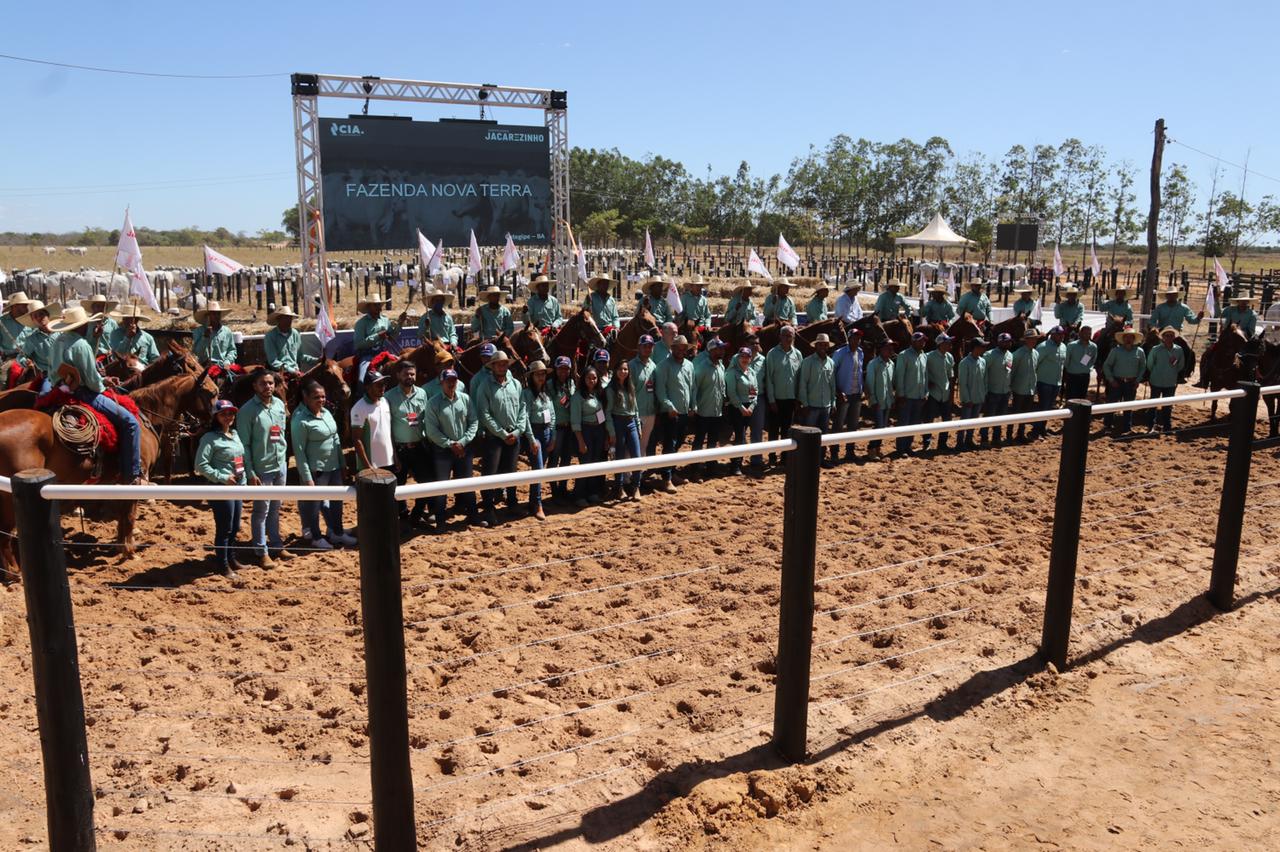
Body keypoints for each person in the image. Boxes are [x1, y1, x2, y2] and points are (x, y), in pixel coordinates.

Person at [55, 305, 144, 484]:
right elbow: (92, 382)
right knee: (131, 423)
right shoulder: (81, 345)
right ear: (81, 326)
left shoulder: (58, 340)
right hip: (84, 393)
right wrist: (105, 383)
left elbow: (56, 371)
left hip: (60, 388)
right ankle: (132, 475)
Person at [291, 380, 356, 549]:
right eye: (316, 397)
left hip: (333, 466)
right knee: (314, 505)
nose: (321, 400)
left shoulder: (326, 412)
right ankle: (316, 536)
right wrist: (307, 477)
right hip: (316, 470)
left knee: (337, 501)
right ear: (305, 397)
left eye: (323, 397)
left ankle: (337, 532)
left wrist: (342, 463)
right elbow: (299, 451)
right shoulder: (300, 420)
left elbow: (336, 439)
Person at [235, 369, 289, 566]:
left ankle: (276, 545)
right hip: (261, 468)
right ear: (255, 387)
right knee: (261, 511)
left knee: (276, 508)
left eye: (271, 383)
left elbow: (281, 434)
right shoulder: (247, 411)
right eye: (263, 384)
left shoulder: (279, 405)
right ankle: (261, 551)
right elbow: (244, 445)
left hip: (279, 464)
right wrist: (250, 471)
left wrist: (284, 458)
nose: (268, 387)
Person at [474, 349, 534, 524]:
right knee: (490, 473)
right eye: (499, 364)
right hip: (494, 437)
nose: (502, 366)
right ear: (492, 366)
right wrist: (501, 433)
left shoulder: (515, 384)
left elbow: (523, 408)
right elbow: (483, 414)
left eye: (504, 363)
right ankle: (488, 507)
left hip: (513, 435)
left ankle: (512, 503)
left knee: (511, 471)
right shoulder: (484, 386)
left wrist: (516, 431)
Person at [423, 368, 481, 529]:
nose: (451, 383)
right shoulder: (433, 403)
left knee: (468, 484)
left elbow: (474, 421)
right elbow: (431, 431)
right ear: (441, 382)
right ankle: (440, 521)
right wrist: (450, 444)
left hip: (463, 448)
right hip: (443, 451)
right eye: (448, 380)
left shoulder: (466, 399)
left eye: (454, 380)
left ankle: (473, 515)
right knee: (442, 486)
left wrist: (462, 442)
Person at [195, 399, 246, 576]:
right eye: (224, 413)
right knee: (225, 527)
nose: (228, 417)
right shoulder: (209, 438)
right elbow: (201, 465)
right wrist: (223, 477)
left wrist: (243, 482)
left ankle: (230, 558)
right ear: (216, 416)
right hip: (220, 488)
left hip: (237, 487)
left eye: (231, 413)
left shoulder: (235, 434)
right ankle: (222, 564)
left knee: (235, 525)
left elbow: (240, 461)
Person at [384, 359, 433, 526]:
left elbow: (426, 419)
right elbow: (387, 427)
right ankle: (403, 516)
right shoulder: (388, 397)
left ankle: (416, 515)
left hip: (419, 446)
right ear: (398, 375)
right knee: (399, 486)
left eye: (412, 374)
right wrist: (394, 454)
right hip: (400, 448)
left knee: (426, 482)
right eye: (406, 374)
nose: (410, 377)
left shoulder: (422, 393)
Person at [654, 334, 695, 491]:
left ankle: (670, 471)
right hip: (670, 413)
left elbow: (692, 387)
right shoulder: (663, 366)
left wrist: (693, 405)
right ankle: (667, 478)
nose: (681, 350)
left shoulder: (689, 366)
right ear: (673, 349)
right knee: (669, 444)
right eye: (678, 347)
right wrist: (669, 406)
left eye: (684, 348)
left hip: (684, 411)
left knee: (679, 442)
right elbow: (661, 391)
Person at [763, 325, 803, 461]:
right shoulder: (772, 354)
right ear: (780, 337)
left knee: (787, 429)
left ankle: (785, 456)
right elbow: (769, 378)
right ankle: (772, 455)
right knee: (773, 429)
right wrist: (771, 400)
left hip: (791, 398)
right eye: (785, 335)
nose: (787, 338)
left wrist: (798, 398)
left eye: (790, 335)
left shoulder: (797, 354)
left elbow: (799, 379)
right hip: (776, 399)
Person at [571, 365, 608, 506]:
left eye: (594, 378)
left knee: (595, 461)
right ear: (583, 379)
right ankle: (579, 495)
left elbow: (602, 416)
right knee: (585, 463)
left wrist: (604, 435)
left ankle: (592, 493)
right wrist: (581, 441)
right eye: (588, 378)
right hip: (585, 431)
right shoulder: (577, 397)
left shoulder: (599, 394)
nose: (591, 381)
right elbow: (575, 421)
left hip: (598, 430)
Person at [690, 338, 727, 477]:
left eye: (723, 348)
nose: (722, 351)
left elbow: (722, 386)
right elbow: (695, 388)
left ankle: (710, 467)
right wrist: (693, 406)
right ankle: (695, 468)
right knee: (699, 440)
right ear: (711, 350)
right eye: (720, 348)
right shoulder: (702, 367)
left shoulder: (721, 366)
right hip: (703, 411)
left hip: (717, 411)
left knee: (713, 440)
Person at [606, 358, 643, 499]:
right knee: (619, 457)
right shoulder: (611, 390)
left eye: (626, 369)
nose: (623, 372)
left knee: (637, 456)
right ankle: (619, 487)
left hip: (632, 422)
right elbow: (608, 412)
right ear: (615, 371)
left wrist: (638, 426)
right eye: (621, 369)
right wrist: (611, 431)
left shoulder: (631, 387)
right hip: (618, 423)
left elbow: (636, 408)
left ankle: (636, 487)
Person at [521, 361, 554, 519]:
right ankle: (538, 504)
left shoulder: (546, 393)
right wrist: (531, 439)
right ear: (531, 376)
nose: (541, 377)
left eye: (543, 374)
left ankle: (533, 501)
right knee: (539, 470)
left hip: (546, 432)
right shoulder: (527, 394)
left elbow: (552, 414)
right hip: (535, 433)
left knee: (539, 470)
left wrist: (553, 435)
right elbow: (525, 417)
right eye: (538, 374)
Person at [830, 330, 864, 464]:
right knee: (838, 424)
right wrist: (838, 391)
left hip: (856, 393)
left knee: (853, 425)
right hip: (843, 394)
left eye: (858, 338)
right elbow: (832, 373)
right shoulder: (840, 353)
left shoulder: (860, 352)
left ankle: (850, 451)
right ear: (849, 339)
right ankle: (834, 452)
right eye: (854, 338)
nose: (857, 340)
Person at [1102, 329, 1146, 433]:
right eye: (1126, 337)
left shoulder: (1140, 351)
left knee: (1129, 405)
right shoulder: (1115, 351)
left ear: (1134, 339)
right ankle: (1107, 426)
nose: (1128, 339)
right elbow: (1107, 365)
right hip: (1117, 381)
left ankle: (1127, 427)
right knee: (1111, 404)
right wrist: (1111, 379)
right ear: (1123, 339)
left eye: (1131, 337)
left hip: (1131, 382)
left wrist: (1138, 380)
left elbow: (1142, 367)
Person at [351, 369, 394, 474]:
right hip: (371, 465)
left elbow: (389, 432)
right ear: (367, 387)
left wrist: (395, 458)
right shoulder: (359, 408)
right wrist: (368, 467)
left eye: (384, 384)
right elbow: (357, 440)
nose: (383, 387)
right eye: (378, 384)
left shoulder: (385, 402)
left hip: (389, 462)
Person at [893, 332, 928, 456]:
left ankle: (907, 446)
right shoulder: (904, 355)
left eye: (923, 341)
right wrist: (900, 394)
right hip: (907, 396)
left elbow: (925, 376)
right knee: (904, 423)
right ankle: (901, 448)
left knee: (913, 423)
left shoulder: (923, 356)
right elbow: (900, 376)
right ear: (913, 342)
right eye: (920, 341)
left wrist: (925, 392)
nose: (922, 343)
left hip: (919, 396)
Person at [725, 346, 759, 475]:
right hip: (736, 408)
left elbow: (755, 391)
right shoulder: (732, 373)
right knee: (739, 436)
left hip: (749, 407)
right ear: (738, 358)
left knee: (743, 436)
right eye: (742, 356)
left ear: (750, 359)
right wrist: (741, 408)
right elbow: (732, 393)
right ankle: (735, 466)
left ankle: (739, 462)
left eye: (747, 357)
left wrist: (751, 407)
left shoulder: (752, 372)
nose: (745, 359)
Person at [548, 355, 577, 502]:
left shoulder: (572, 383)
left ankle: (563, 487)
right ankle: (554, 490)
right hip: (556, 427)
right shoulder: (549, 385)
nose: (563, 372)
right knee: (554, 458)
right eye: (561, 369)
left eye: (566, 369)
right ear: (556, 369)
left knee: (566, 458)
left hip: (569, 427)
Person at [1146, 327, 1185, 434]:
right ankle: (1150, 426)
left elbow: (1180, 364)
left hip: (1170, 381)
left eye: (1171, 336)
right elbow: (1149, 364)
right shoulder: (1155, 349)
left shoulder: (1179, 350)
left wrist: (1173, 372)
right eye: (1166, 335)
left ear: (1174, 337)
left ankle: (1167, 426)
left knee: (1168, 406)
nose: (1169, 338)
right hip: (1156, 381)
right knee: (1152, 404)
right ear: (1162, 337)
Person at [797, 333, 836, 441]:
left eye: (825, 345)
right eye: (820, 345)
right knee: (809, 435)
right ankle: (809, 457)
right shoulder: (807, 362)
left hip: (826, 405)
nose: (823, 347)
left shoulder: (831, 363)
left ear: (828, 346)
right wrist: (805, 404)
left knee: (823, 436)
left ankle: (821, 456)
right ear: (816, 346)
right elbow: (803, 384)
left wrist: (833, 402)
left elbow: (832, 384)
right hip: (811, 406)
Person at [1032, 326, 1067, 438]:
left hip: (1057, 383)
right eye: (1059, 334)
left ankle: (1042, 429)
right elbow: (1035, 364)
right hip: (1044, 381)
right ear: (1052, 334)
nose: (1061, 336)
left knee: (1048, 407)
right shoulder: (1043, 347)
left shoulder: (1063, 347)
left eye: (1062, 334)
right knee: (1043, 407)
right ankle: (1037, 430)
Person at [921, 334, 955, 452]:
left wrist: (951, 394)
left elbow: (950, 376)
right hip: (933, 393)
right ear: (940, 344)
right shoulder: (928, 357)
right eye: (948, 342)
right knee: (929, 419)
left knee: (946, 419)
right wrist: (927, 382)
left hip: (945, 392)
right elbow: (922, 372)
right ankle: (926, 443)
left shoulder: (950, 357)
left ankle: (942, 443)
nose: (950, 345)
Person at [18, 300, 59, 393]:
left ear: (47, 315)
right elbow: (20, 357)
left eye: (41, 314)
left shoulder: (61, 331)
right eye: (35, 316)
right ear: (33, 320)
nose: (39, 318)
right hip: (49, 376)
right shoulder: (31, 340)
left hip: (69, 373)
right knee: (44, 397)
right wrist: (25, 361)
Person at [262, 305, 314, 378]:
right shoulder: (270, 336)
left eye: (290, 318)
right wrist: (291, 371)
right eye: (285, 318)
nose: (288, 321)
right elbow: (273, 361)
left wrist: (316, 360)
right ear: (279, 319)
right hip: (278, 374)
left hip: (296, 371)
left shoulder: (295, 334)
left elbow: (300, 356)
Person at [982, 333, 1014, 445]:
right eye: (1004, 341)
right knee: (988, 416)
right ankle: (984, 438)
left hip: (1005, 391)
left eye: (1008, 341)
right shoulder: (989, 355)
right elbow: (983, 373)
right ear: (998, 342)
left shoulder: (1010, 355)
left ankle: (996, 438)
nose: (1007, 343)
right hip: (992, 391)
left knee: (1000, 417)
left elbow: (1009, 372)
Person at [956, 338, 989, 450]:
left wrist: (983, 394)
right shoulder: (964, 363)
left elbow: (985, 380)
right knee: (964, 421)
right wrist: (966, 398)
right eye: (982, 347)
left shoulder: (983, 361)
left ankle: (969, 440)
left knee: (973, 421)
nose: (984, 349)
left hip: (978, 397)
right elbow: (963, 383)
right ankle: (960, 442)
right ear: (975, 348)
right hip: (969, 399)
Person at [865, 341, 896, 460]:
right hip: (878, 401)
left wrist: (892, 399)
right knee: (879, 425)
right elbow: (870, 383)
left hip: (887, 400)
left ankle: (877, 448)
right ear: (881, 349)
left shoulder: (891, 364)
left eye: (891, 348)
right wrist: (873, 400)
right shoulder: (873, 364)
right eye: (888, 348)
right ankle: (871, 448)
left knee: (883, 426)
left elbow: (890, 384)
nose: (890, 350)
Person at [631, 334, 660, 458]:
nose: (647, 349)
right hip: (636, 412)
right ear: (639, 347)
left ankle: (638, 473)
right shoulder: (631, 366)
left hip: (650, 412)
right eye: (645, 346)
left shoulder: (654, 366)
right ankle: (627, 475)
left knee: (644, 443)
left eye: (650, 346)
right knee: (632, 444)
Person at [1009, 329, 1041, 442]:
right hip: (1019, 388)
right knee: (1015, 412)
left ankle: (1020, 433)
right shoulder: (1018, 354)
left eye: (1035, 339)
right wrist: (1011, 387)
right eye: (1031, 339)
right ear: (1026, 340)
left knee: (1025, 413)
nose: (1033, 341)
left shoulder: (1036, 353)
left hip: (1030, 389)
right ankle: (1009, 434)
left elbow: (1035, 371)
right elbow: (1012, 372)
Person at [191, 301, 238, 370]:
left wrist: (227, 361)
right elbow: (197, 352)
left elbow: (232, 350)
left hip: (224, 365)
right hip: (205, 366)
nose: (216, 316)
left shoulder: (227, 331)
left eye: (218, 314)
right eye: (213, 314)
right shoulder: (199, 331)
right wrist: (205, 337)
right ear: (207, 316)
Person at [1063, 324, 1098, 401]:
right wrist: (1070, 370)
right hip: (1072, 376)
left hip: (1085, 376)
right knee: (1071, 398)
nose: (1087, 335)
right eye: (1085, 333)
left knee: (1082, 398)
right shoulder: (1071, 346)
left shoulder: (1093, 347)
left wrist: (1088, 368)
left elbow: (1093, 360)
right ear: (1080, 334)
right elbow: (1066, 361)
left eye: (1089, 333)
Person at [0, 291, 32, 363]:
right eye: (24, 304)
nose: (27, 306)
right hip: (10, 359)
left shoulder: (31, 319)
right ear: (15, 306)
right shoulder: (1, 322)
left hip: (30, 357)